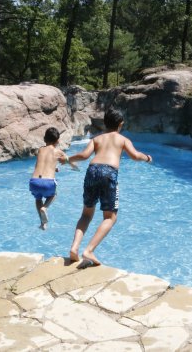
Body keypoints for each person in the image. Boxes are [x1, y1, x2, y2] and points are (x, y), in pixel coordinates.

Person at [67, 107, 153, 269]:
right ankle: (89, 250)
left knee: (86, 214)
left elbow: (84, 156)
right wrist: (146, 158)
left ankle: (74, 247)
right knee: (110, 217)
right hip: (109, 172)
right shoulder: (122, 139)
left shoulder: (96, 138)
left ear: (105, 123)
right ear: (120, 124)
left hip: (92, 171)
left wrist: (67, 159)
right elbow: (135, 156)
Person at [29, 127, 77, 230]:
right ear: (58, 141)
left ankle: (43, 224)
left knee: (38, 199)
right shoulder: (58, 152)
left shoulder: (40, 149)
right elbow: (71, 162)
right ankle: (45, 207)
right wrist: (75, 168)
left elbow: (42, 164)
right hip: (48, 183)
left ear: (44, 139)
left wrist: (53, 168)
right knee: (54, 194)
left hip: (34, 182)